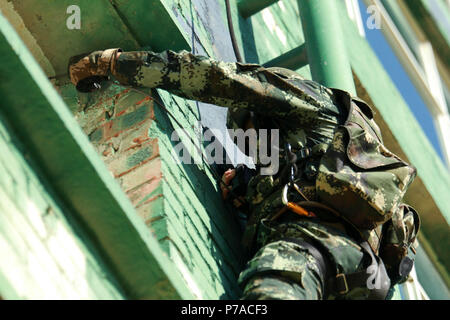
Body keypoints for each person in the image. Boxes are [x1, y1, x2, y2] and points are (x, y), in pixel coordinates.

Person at [69, 49, 420, 300]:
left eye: (252, 134)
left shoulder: (312, 106)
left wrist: (116, 63)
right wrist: (243, 187)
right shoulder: (324, 159)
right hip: (364, 279)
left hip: (308, 252)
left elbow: (217, 79)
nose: (256, 149)